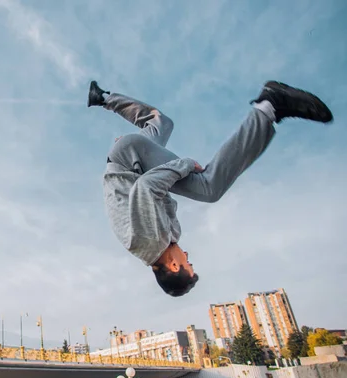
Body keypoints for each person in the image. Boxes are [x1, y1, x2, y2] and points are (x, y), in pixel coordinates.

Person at [88, 80, 333, 297]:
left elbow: (146, 186)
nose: (187, 256)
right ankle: (104, 98)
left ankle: (269, 107)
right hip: (132, 159)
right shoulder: (168, 238)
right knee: (161, 123)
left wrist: (182, 166)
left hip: (131, 162)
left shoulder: (149, 243)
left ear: (174, 267)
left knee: (208, 188)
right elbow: (161, 198)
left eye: (188, 263)